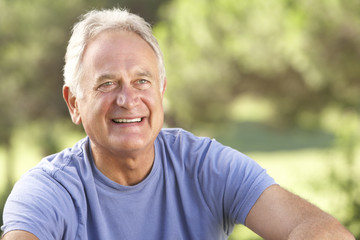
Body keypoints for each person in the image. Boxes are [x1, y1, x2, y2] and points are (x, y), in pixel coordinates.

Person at [1, 8, 355, 240]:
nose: (127, 98)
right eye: (107, 84)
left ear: (161, 91)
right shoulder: (48, 191)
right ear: (74, 103)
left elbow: (321, 232)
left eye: (142, 81)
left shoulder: (205, 165)